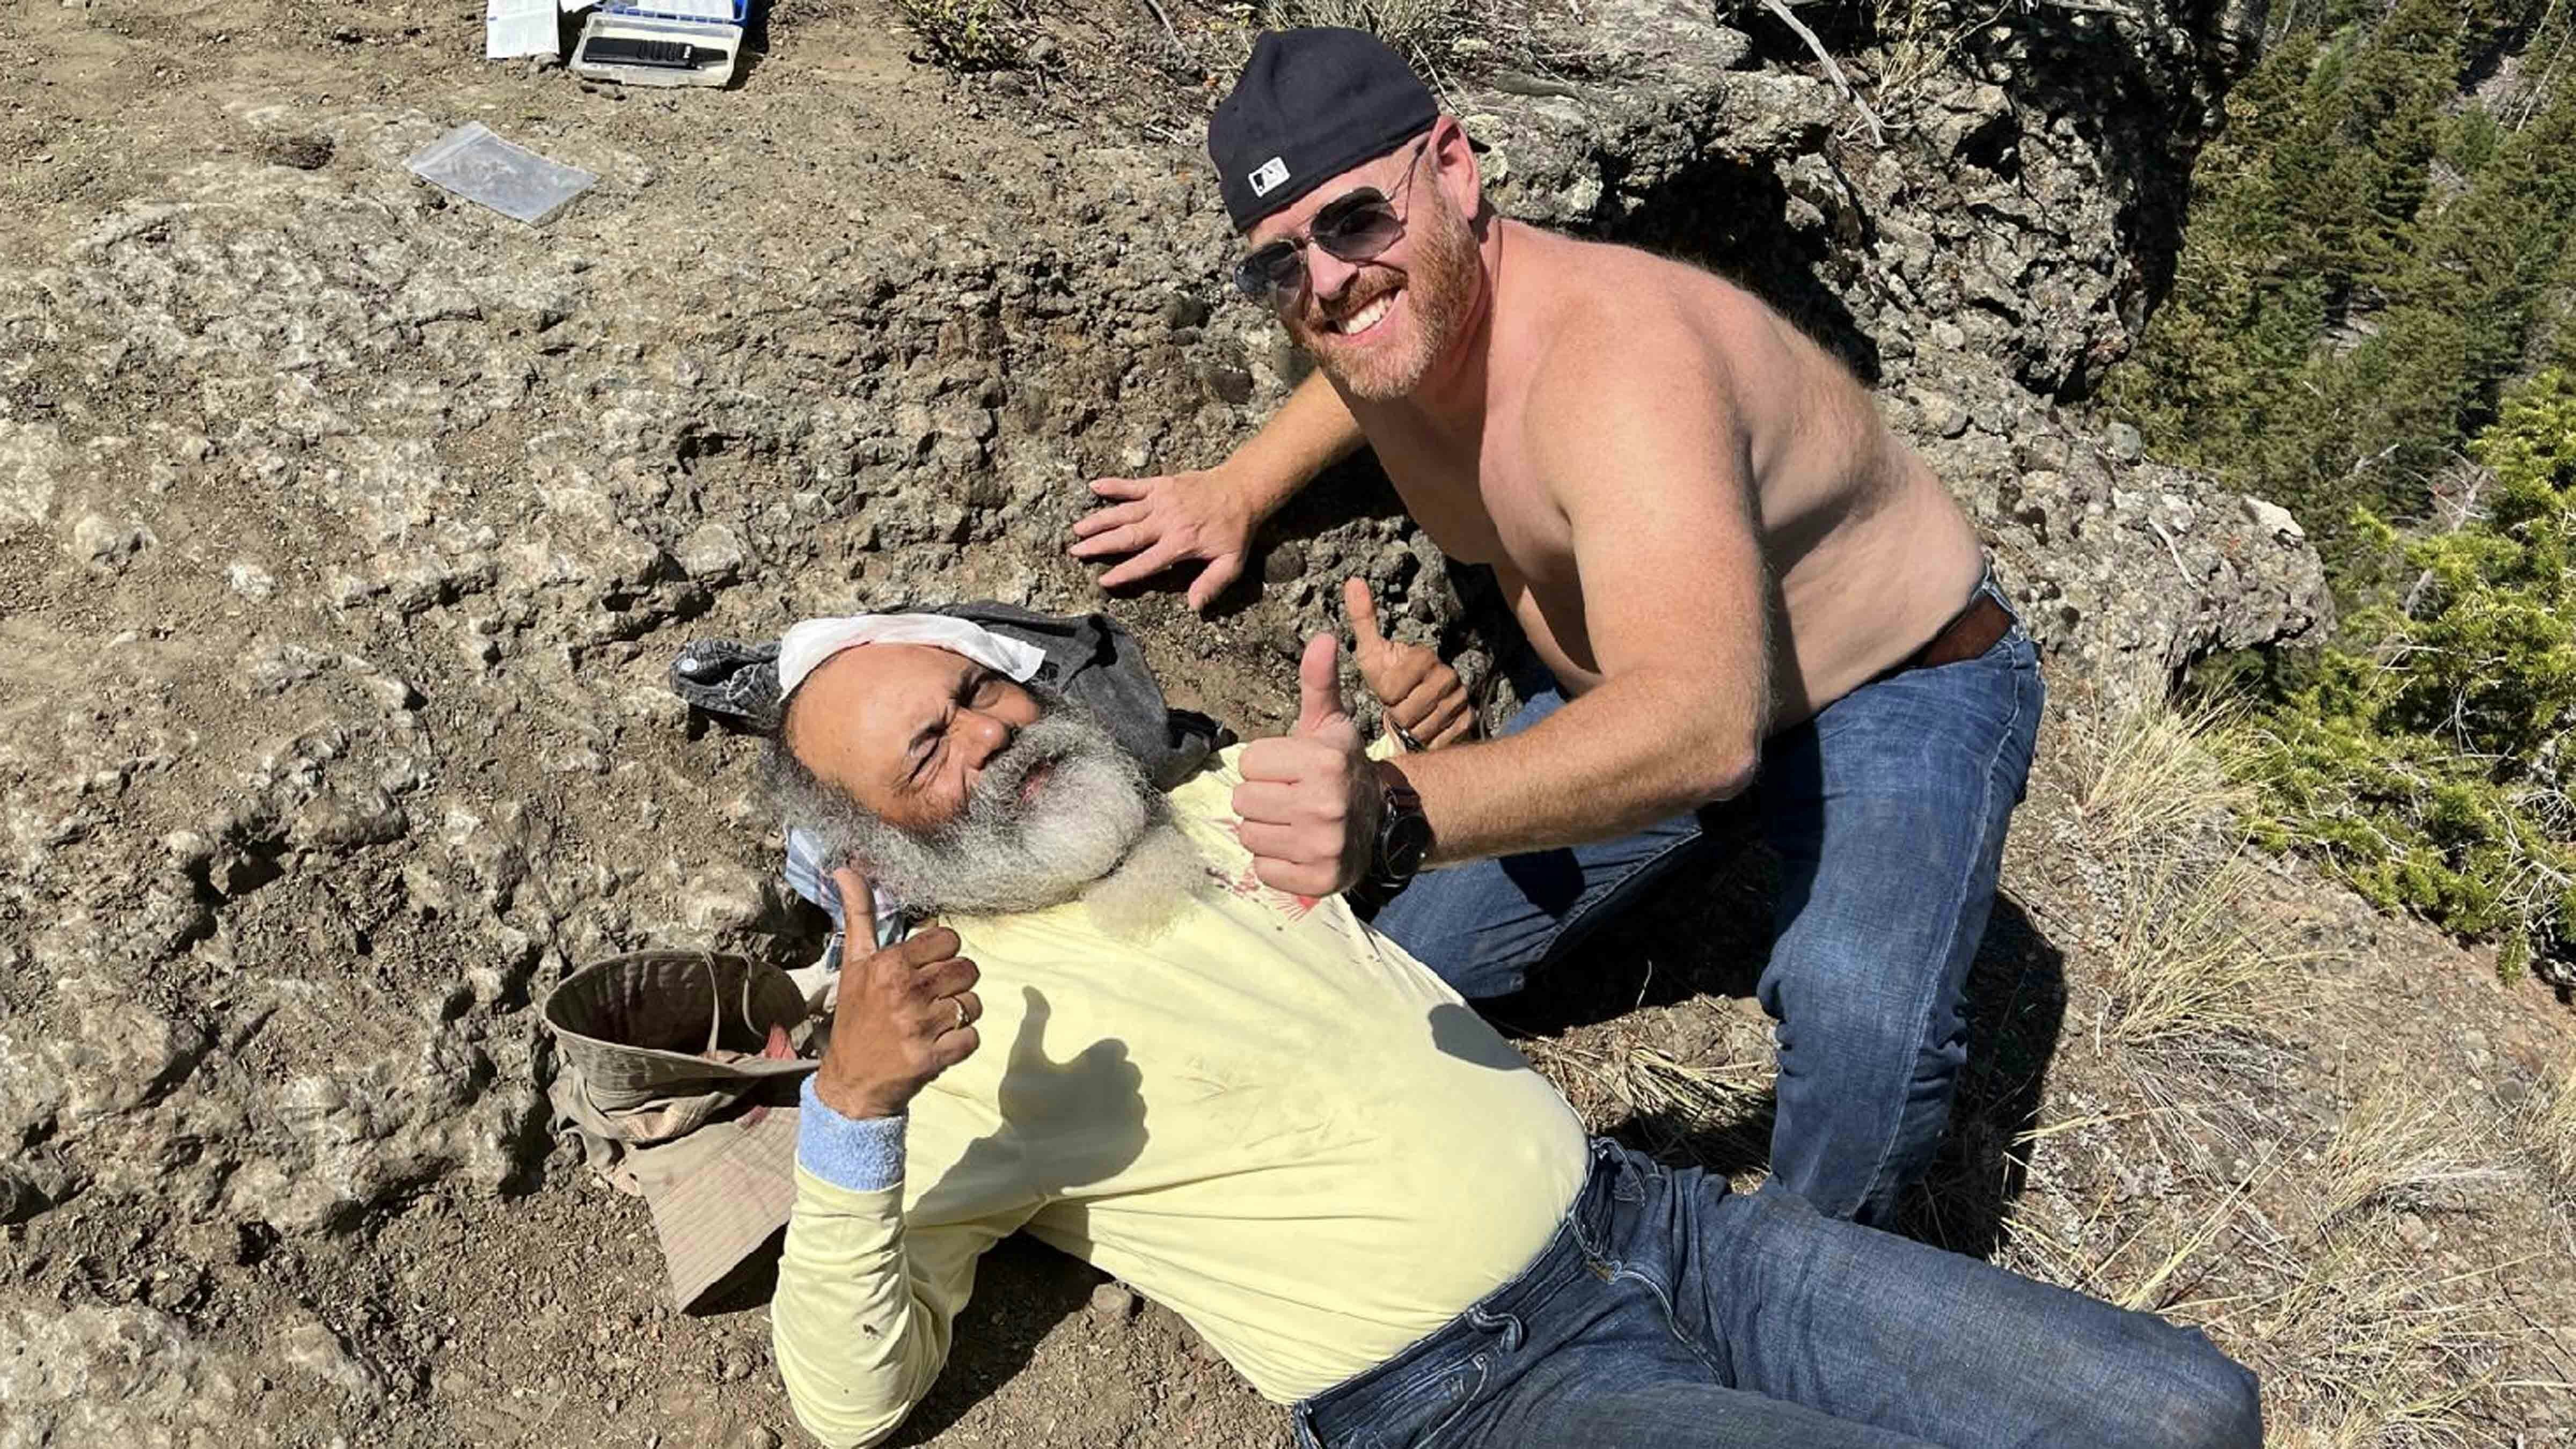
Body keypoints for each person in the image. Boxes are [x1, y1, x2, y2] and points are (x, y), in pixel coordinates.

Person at [758, 616, 2258, 1449]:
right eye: (929, 749)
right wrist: (852, 1106)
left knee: (2195, 1409)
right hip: (1491, 1391)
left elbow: (1451, 800)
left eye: (977, 686)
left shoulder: (1212, 813)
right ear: (871, 849)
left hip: (1664, 1225)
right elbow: (849, 1400)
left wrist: (1439, 733)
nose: (993, 733)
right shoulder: (945, 1035)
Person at [1066, 27, 2042, 1227]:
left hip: (1887, 684)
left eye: (1358, 221)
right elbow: (1356, 356)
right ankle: (1689, 860)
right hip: (1641, 708)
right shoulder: (1402, 330)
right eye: (1279, 264)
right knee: (1412, 972)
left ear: (1457, 171)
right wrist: (1239, 488)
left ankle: (1813, 1282)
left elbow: (1696, 723)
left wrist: (1402, 806)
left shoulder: (1618, 360)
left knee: (1858, 1017)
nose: (1326, 281)